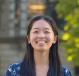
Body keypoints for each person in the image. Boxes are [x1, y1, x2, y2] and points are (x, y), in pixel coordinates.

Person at [6, 15, 72, 76]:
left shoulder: (64, 73)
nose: (41, 36)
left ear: (54, 39)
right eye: (36, 31)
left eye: (46, 32)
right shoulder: (13, 71)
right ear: (28, 38)